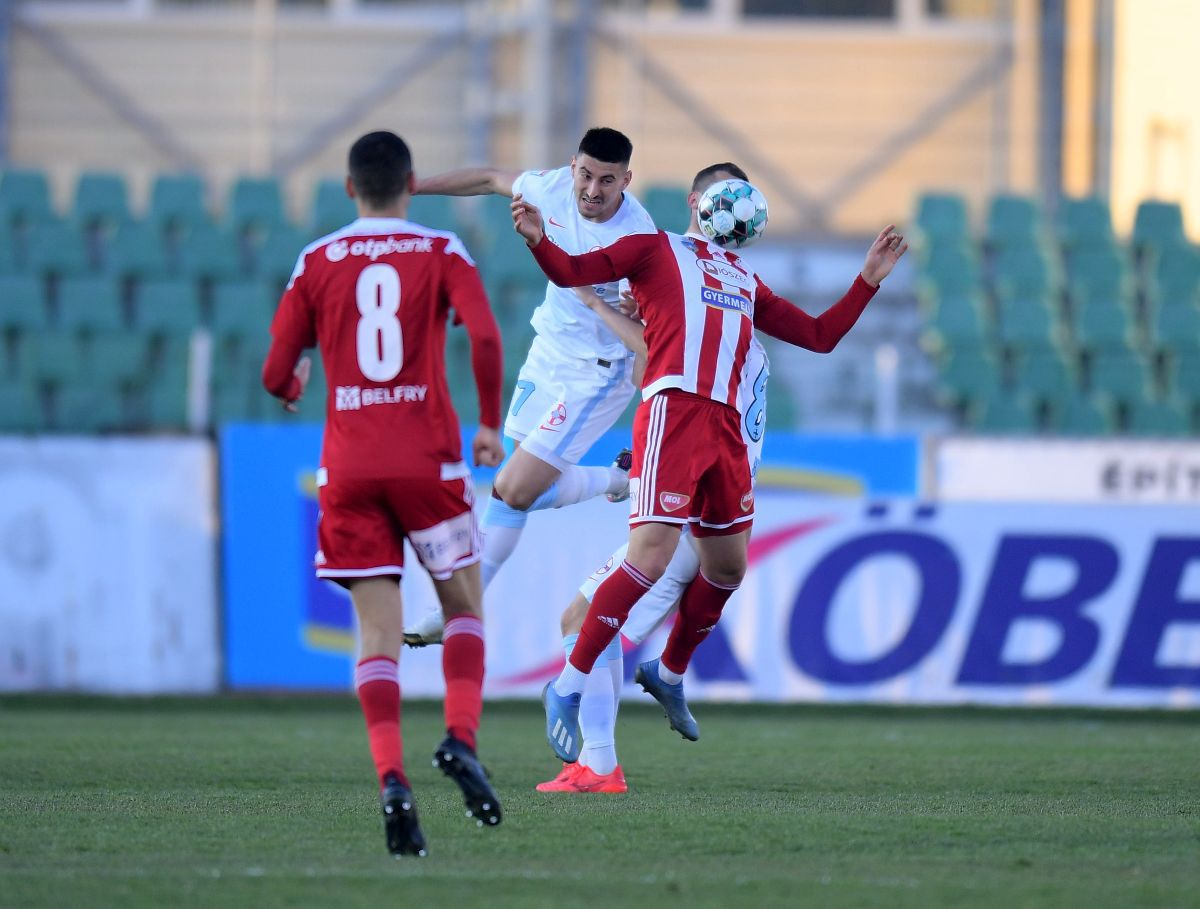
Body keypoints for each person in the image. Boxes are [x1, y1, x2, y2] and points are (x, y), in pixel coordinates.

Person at [512, 162, 908, 763]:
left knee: (727, 569)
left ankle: (669, 674)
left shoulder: (745, 281)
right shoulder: (656, 249)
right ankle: (566, 686)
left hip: (723, 429)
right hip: (674, 409)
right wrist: (541, 239)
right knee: (650, 558)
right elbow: (572, 271)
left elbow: (821, 335)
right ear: (699, 205)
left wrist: (867, 280)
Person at [261, 130, 506, 857]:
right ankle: (461, 739)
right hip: (426, 463)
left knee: (375, 635)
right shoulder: (439, 252)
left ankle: (393, 782)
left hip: (351, 469)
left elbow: (277, 368)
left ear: (349, 189)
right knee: (463, 603)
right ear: (409, 184)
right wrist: (489, 423)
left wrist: (295, 382)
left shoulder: (316, 260)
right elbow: (486, 337)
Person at [402, 127, 658, 647]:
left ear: (626, 181)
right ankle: (618, 482)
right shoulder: (551, 189)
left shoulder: (639, 240)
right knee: (516, 492)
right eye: (586, 175)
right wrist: (415, 186)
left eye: (607, 181)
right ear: (572, 167)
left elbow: (647, 342)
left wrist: (612, 309)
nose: (592, 190)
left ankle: (457, 610)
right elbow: (490, 177)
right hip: (547, 355)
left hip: (595, 372)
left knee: (512, 489)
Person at [536, 278, 771, 794]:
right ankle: (643, 703)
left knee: (585, 618)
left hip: (692, 515)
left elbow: (667, 389)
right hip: (717, 501)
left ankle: (600, 763)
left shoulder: (705, 343)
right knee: (593, 619)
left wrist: (600, 304)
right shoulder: (739, 345)